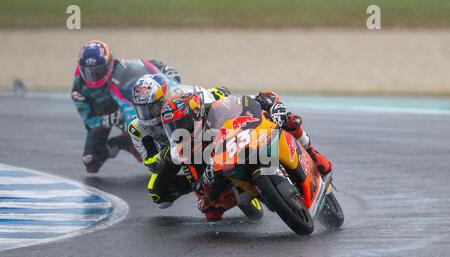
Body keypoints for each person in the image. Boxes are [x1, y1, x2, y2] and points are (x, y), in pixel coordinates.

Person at [161, 91, 333, 220]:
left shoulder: (217, 109)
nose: (178, 130)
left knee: (290, 121)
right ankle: (257, 192)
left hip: (250, 138)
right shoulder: (185, 152)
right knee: (210, 211)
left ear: (196, 114)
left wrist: (273, 107)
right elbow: (198, 189)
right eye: (172, 127)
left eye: (181, 124)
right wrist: (208, 178)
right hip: (228, 173)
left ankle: (312, 153)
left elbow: (251, 100)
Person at [71, 39, 180, 173]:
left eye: (98, 71)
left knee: (145, 133)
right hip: (102, 117)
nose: (93, 77)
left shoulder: (122, 67)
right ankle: (121, 142)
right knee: (91, 162)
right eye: (88, 72)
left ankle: (135, 141)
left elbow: (147, 66)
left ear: (109, 64)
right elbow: (88, 121)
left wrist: (167, 72)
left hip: (126, 108)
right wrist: (107, 120)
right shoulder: (78, 90)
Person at [128, 73, 230, 209]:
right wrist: (163, 155)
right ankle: (193, 186)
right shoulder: (137, 128)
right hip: (170, 153)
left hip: (197, 133)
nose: (147, 114)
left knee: (222, 101)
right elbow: (150, 163)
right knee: (158, 194)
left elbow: (207, 95)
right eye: (141, 109)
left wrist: (219, 95)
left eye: (152, 108)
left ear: (163, 99)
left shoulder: (179, 94)